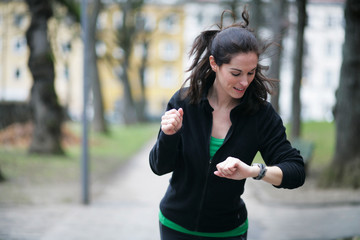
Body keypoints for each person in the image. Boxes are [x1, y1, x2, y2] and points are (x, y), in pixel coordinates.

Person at [149, 8, 305, 240]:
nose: (245, 82)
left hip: (228, 232)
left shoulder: (260, 114)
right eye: (236, 73)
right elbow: (159, 167)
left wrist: (254, 171)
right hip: (175, 227)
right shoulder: (184, 102)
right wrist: (168, 134)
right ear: (214, 64)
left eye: (251, 73)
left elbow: (296, 171)